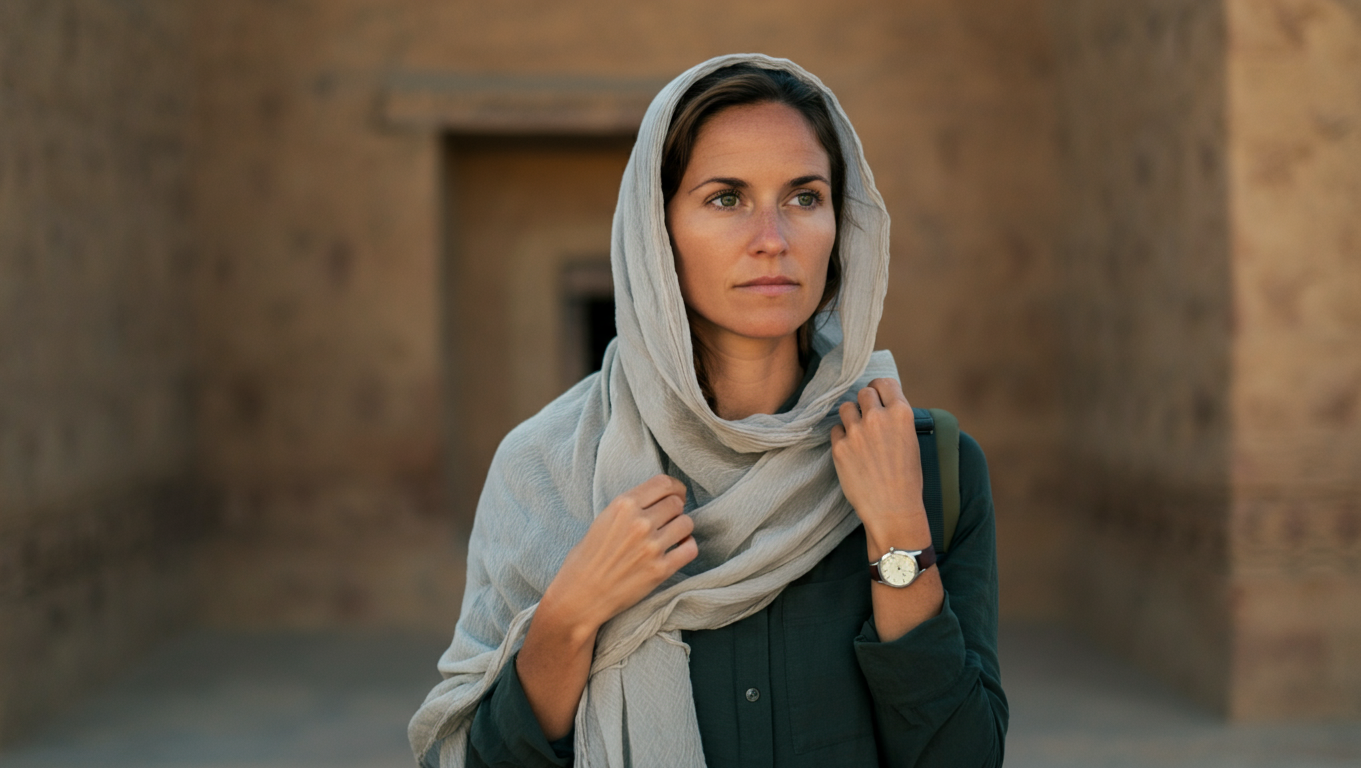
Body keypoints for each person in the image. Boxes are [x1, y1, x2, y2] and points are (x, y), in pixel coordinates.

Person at [409, 53, 1007, 768]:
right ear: (657, 233)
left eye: (804, 197)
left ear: (841, 229)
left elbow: (962, 757)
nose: (773, 240)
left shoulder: (926, 465)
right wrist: (570, 616)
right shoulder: (549, 468)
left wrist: (898, 534)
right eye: (726, 198)